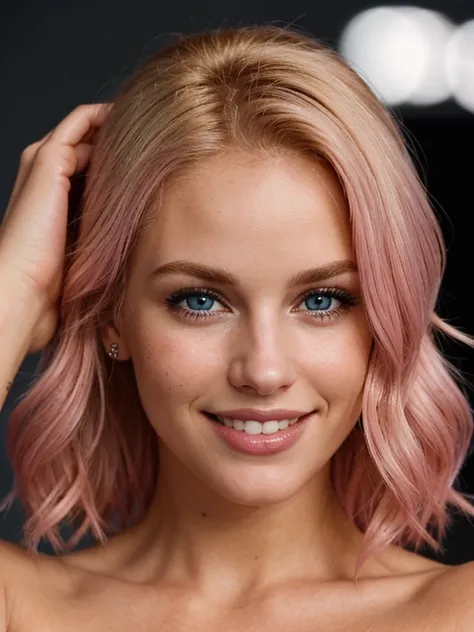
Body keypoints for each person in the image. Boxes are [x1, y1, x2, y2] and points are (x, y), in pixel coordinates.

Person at [0, 23, 473, 631]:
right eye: (199, 301)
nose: (264, 371)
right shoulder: (20, 606)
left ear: (388, 312)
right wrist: (16, 286)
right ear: (112, 314)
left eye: (324, 299)